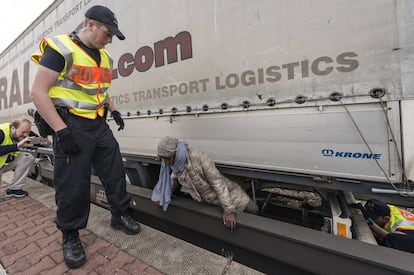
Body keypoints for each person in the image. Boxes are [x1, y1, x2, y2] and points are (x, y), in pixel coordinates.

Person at [29, 5, 140, 269]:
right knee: (73, 183)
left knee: (114, 171)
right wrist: (61, 131)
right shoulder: (61, 49)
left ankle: (119, 214)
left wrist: (113, 110)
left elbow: (98, 88)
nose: (110, 38)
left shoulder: (103, 57)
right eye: (107, 32)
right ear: (89, 24)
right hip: (71, 125)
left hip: (98, 124)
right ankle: (70, 235)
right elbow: (38, 93)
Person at [152, 136, 259, 231]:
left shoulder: (199, 158)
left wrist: (229, 210)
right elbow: (172, 181)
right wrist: (162, 197)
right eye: (164, 159)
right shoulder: (177, 165)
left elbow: (218, 184)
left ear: (176, 153)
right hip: (210, 200)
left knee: (253, 209)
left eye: (168, 159)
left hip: (228, 194)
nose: (166, 162)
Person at [0, 118, 35, 197]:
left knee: (27, 157)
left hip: (4, 163)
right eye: (23, 132)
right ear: (13, 128)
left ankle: (15, 189)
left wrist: (44, 142)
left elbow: (35, 139)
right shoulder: (1, 132)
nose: (26, 135)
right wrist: (17, 146)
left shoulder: (22, 130)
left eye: (28, 132)